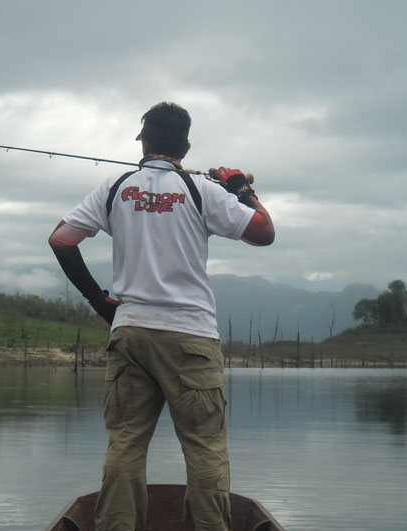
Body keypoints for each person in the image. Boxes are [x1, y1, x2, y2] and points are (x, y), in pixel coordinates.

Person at [48, 101, 274, 531]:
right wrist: (240, 188)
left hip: (130, 332)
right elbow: (264, 232)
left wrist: (101, 302)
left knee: (126, 443)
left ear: (143, 140)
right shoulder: (201, 191)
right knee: (205, 446)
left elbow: (62, 239)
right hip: (190, 337)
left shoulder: (115, 187)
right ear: (185, 146)